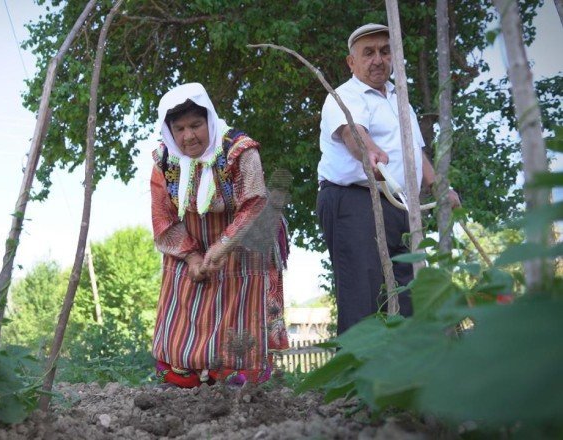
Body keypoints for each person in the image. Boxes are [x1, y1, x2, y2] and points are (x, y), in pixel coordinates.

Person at [316, 24, 461, 335]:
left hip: (399, 203)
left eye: (384, 50)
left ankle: (411, 375)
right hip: (354, 200)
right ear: (351, 62)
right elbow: (353, 133)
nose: (378, 59)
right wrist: (369, 152)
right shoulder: (344, 95)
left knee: (412, 289)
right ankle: (355, 380)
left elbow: (415, 153)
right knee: (361, 291)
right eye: (368, 53)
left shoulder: (400, 98)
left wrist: (438, 185)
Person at [149, 82, 290, 387]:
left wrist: (221, 248)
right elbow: (163, 218)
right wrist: (193, 256)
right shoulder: (164, 161)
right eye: (180, 128)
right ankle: (185, 374)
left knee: (240, 308)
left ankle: (234, 377)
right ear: (169, 131)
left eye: (196, 125)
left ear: (210, 120)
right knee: (183, 300)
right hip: (191, 241)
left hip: (244, 241)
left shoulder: (239, 150)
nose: (189, 136)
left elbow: (254, 204)